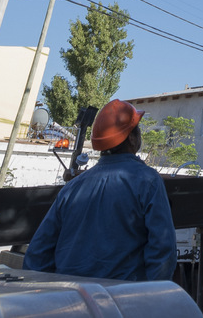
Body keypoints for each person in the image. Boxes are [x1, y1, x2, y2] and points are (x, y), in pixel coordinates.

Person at [24, 98, 176, 281]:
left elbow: (37, 255)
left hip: (70, 299)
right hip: (120, 302)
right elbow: (162, 250)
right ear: (132, 138)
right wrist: (150, 297)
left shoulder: (72, 188)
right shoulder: (148, 181)